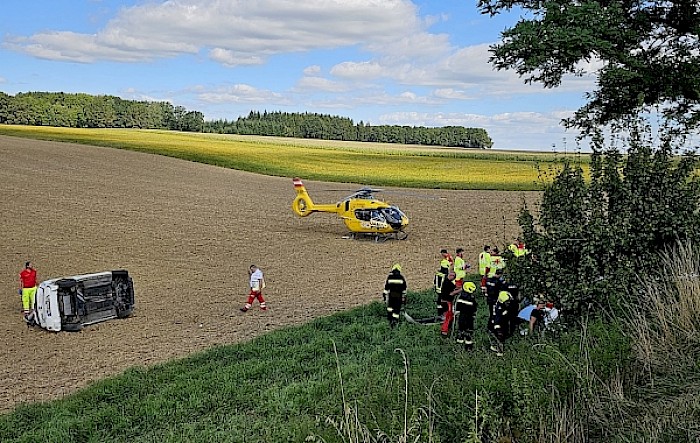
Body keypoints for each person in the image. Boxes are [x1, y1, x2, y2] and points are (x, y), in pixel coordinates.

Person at [491, 287, 517, 356]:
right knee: (500, 337)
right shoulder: (498, 308)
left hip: (506, 320)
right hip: (500, 323)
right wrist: (498, 329)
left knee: (507, 334)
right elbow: (497, 319)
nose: (508, 302)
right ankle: (499, 353)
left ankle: (496, 345)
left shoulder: (507, 298)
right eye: (507, 302)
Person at [455, 281, 478, 350]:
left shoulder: (460, 297)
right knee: (469, 332)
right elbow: (474, 308)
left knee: (461, 329)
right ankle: (468, 347)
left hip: (461, 317)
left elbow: (457, 307)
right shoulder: (471, 299)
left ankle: (459, 343)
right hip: (469, 318)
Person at [383, 264, 407, 328]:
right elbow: (404, 289)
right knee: (396, 309)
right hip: (398, 296)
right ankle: (395, 322)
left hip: (391, 296)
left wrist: (384, 296)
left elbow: (386, 288)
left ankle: (390, 320)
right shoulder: (401, 278)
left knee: (390, 308)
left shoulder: (390, 277)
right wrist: (404, 299)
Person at [439, 270, 461, 337]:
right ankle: (444, 331)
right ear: (449, 275)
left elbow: (454, 288)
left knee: (449, 315)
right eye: (451, 275)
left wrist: (458, 288)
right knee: (448, 316)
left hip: (445, 301)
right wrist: (461, 289)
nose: (452, 277)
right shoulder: (447, 283)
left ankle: (448, 328)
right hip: (447, 302)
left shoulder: (448, 282)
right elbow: (452, 293)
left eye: (453, 276)